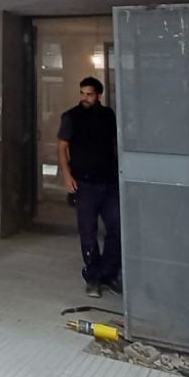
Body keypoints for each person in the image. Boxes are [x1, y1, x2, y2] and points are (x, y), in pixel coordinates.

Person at [58, 76, 121, 297]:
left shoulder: (108, 115)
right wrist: (67, 176)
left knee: (116, 228)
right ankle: (93, 277)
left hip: (109, 182)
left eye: (90, 94)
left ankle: (108, 273)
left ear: (98, 95)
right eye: (82, 93)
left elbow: (115, 144)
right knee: (88, 232)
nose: (85, 98)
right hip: (84, 183)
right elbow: (62, 148)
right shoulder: (71, 117)